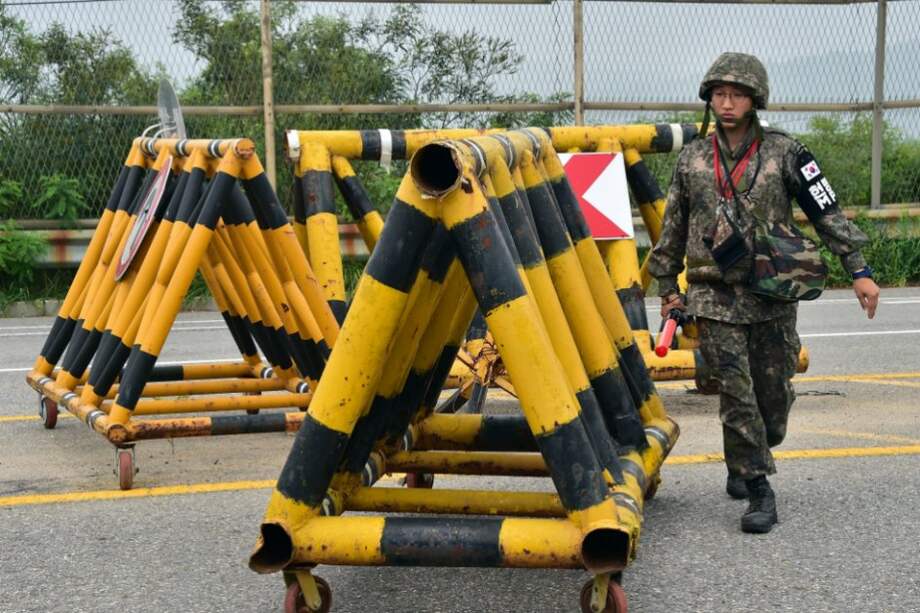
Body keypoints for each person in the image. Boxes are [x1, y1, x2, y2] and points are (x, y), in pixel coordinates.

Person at [649, 52, 880, 534]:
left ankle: (751, 451)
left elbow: (826, 211)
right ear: (709, 99)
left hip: (773, 292)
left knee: (772, 402)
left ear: (754, 100)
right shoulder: (693, 159)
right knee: (736, 395)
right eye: (719, 94)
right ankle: (758, 488)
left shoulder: (786, 153)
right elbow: (672, 227)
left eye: (737, 95)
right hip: (713, 294)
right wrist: (669, 289)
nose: (727, 103)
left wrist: (858, 269)